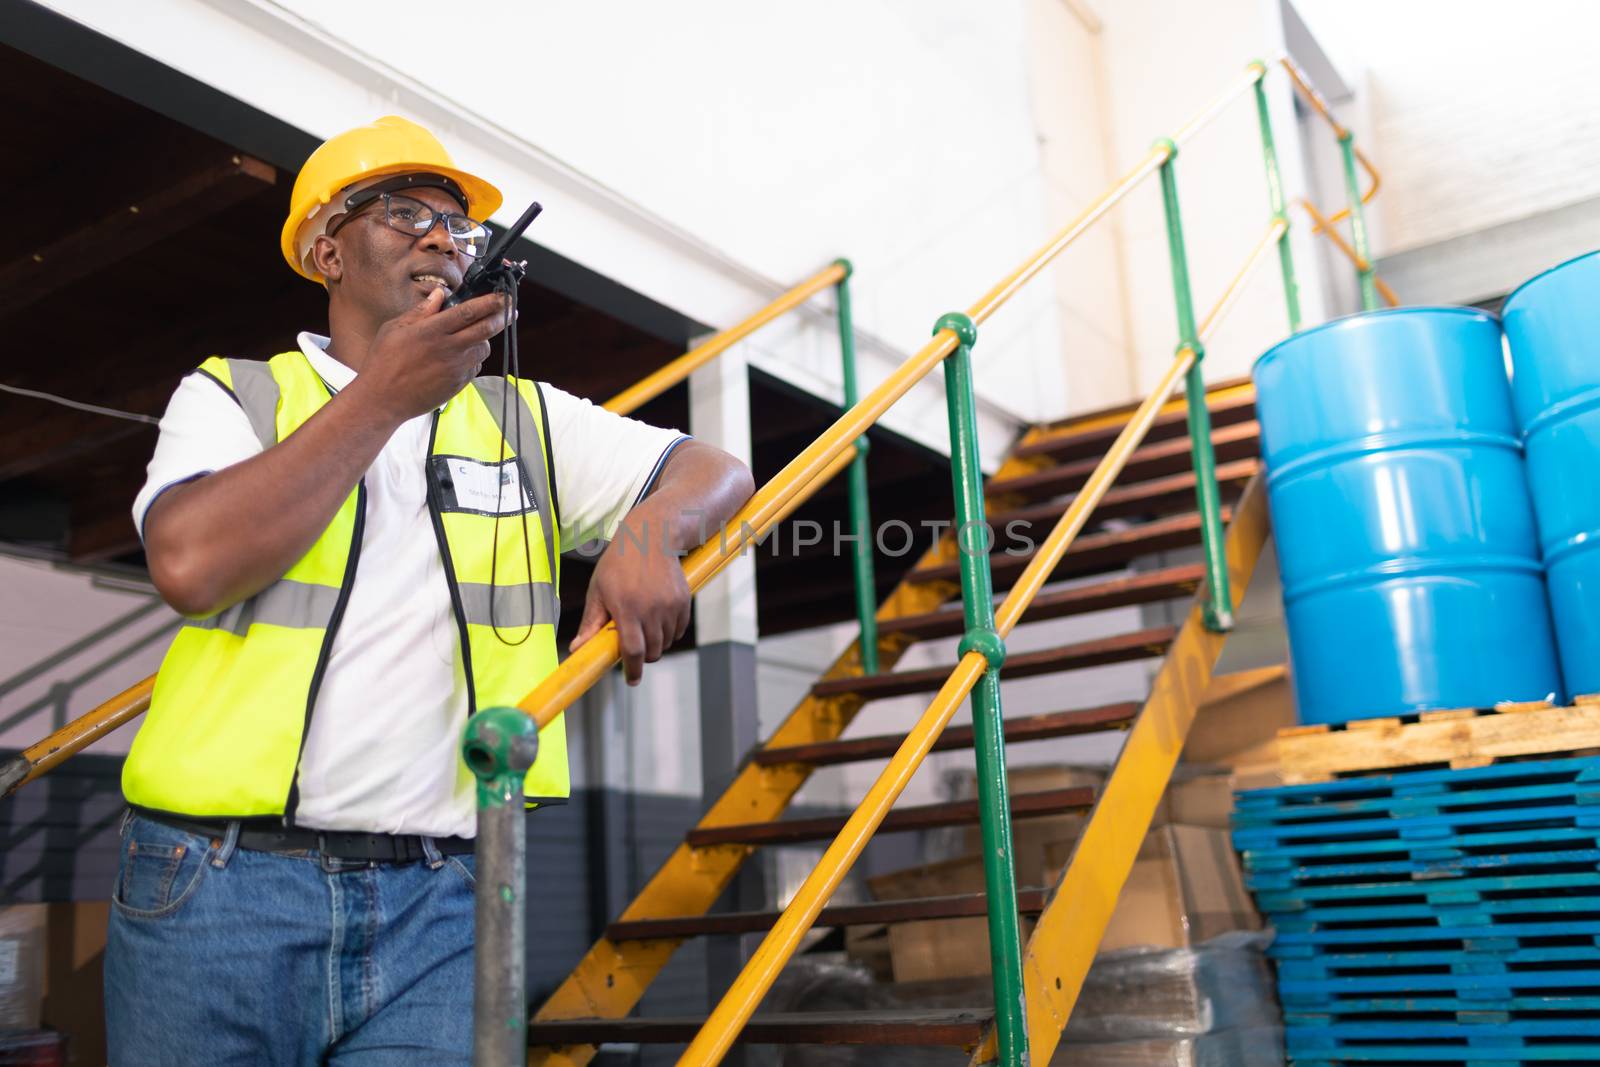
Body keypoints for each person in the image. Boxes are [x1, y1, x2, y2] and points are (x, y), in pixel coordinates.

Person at [103, 116, 754, 1065]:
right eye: (405, 212)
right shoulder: (234, 395)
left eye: (461, 228)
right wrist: (384, 395)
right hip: (220, 888)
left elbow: (714, 468)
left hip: (446, 899)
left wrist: (650, 532)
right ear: (327, 248)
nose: (444, 238)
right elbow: (190, 566)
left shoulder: (520, 416)